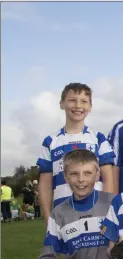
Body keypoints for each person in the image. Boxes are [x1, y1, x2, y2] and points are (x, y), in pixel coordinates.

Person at [37, 83, 115, 226]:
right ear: (62, 104)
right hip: (64, 216)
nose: (78, 105)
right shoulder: (50, 141)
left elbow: (108, 178)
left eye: (84, 101)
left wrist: (108, 212)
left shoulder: (98, 139)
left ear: (90, 107)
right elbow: (45, 183)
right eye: (72, 100)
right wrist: (48, 218)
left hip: (97, 215)